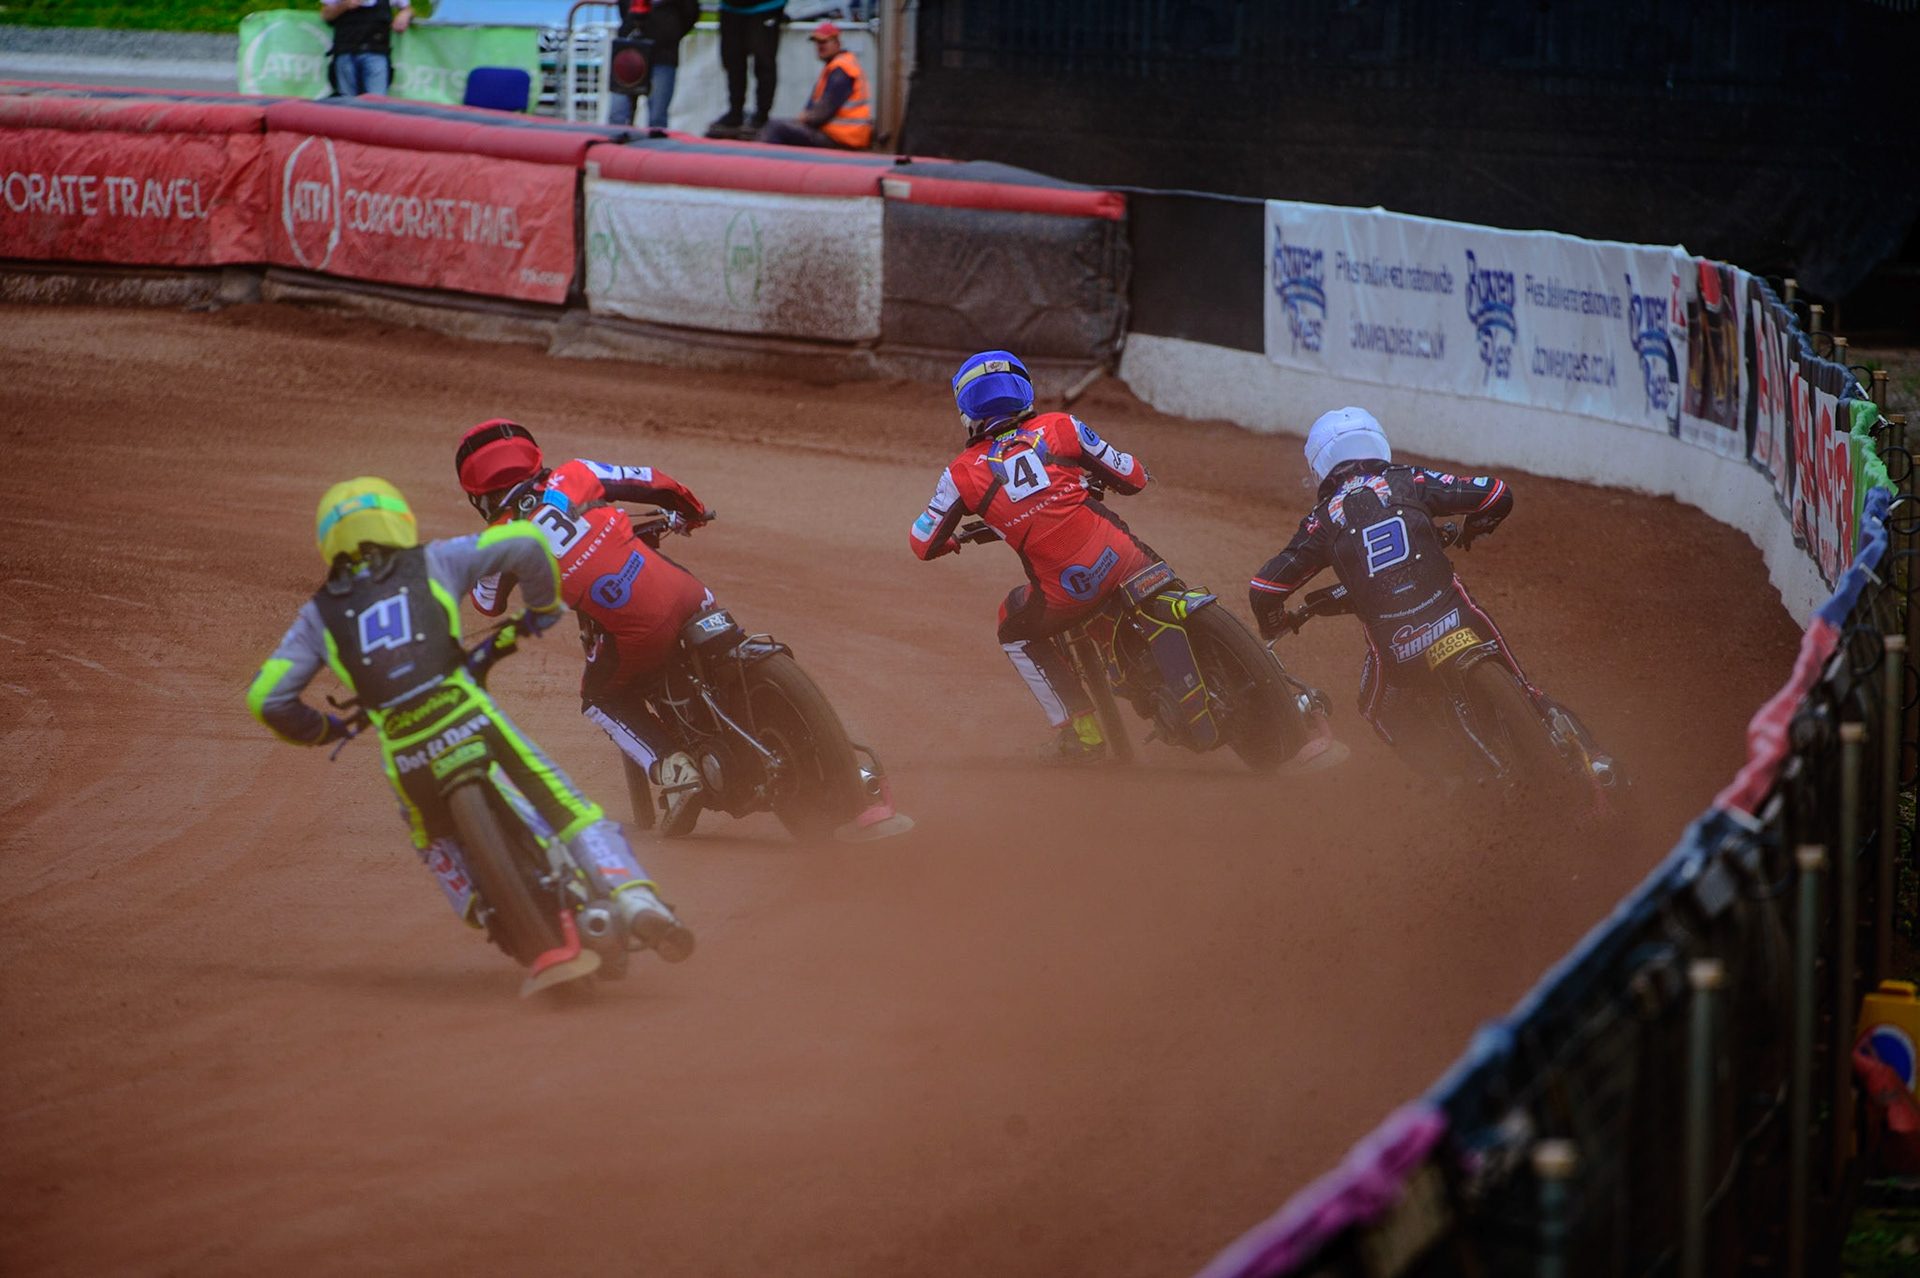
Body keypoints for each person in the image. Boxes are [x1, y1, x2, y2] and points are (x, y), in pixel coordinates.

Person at [247, 477, 695, 970]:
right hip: (466, 718)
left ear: (329, 541)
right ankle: (635, 899)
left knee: (436, 842)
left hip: (407, 752)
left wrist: (323, 729)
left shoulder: (319, 614)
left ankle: (482, 906)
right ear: (398, 521)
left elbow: (267, 698)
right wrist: (541, 609)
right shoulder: (434, 560)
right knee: (567, 807)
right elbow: (525, 542)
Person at [453, 420, 721, 837]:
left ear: (479, 496)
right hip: (693, 595)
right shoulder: (575, 473)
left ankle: (676, 770)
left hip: (639, 636)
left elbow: (487, 605)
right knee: (715, 629)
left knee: (599, 696)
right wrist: (692, 511)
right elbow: (653, 481)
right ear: (533, 458)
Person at [1246, 407, 1524, 774]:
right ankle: (1556, 726)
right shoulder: (1409, 480)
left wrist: (1276, 623)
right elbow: (1497, 494)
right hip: (1454, 613)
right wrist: (1473, 530)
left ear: (1319, 465)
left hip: (1398, 643)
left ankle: (1449, 778)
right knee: (1525, 688)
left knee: (1374, 706)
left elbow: (1264, 588)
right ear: (1377, 442)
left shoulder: (1323, 519)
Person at [909, 350, 1155, 764]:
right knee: (1156, 571)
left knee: (1013, 626)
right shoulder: (1062, 426)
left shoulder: (961, 473)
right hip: (1127, 560)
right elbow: (1133, 478)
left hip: (1067, 594)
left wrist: (949, 543)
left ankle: (1082, 735)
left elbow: (922, 542)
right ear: (1024, 391)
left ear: (966, 411)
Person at [758, 21, 872, 150]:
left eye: (824, 42)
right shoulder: (837, 66)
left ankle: (757, 161)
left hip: (842, 138)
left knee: (775, 129)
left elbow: (821, 113)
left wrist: (803, 119)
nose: (819, 46)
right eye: (817, 42)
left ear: (837, 43)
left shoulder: (842, 69)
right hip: (841, 136)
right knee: (782, 127)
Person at [608, 0, 702, 130]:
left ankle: (654, 140)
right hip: (630, 51)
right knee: (618, 115)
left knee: (657, 118)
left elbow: (690, 12)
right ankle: (617, 140)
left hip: (663, 53)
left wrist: (671, 32)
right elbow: (624, 6)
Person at [707, 0, 786, 138]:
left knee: (764, 63)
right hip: (730, 9)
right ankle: (735, 112)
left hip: (765, 8)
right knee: (733, 61)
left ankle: (762, 116)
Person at [321, 0, 411, 98]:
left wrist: (405, 15)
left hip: (376, 52)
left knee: (376, 101)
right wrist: (344, 5)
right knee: (346, 101)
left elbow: (407, 9)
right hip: (346, 52)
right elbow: (326, 15)